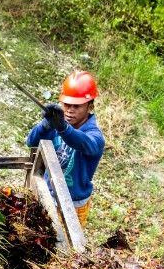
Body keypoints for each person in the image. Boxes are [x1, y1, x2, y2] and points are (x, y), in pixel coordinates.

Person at [26, 70, 105, 228]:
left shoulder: (95, 137)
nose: (70, 110)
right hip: (49, 194)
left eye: (77, 106)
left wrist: (63, 128)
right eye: (67, 104)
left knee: (66, 248)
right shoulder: (56, 124)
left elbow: (82, 142)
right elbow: (31, 142)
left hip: (73, 204)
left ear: (90, 106)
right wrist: (45, 126)